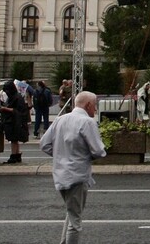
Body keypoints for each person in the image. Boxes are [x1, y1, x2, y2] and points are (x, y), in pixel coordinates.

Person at [40, 91, 107, 244]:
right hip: (78, 174)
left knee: (71, 213)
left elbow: (44, 144)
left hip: (60, 174)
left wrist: (61, 155)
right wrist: (81, 157)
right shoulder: (87, 122)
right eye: (95, 106)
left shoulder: (60, 119)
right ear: (88, 105)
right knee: (75, 222)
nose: (95, 110)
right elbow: (99, 151)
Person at [0, 80, 30, 163]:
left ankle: (14, 155)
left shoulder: (17, 97)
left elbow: (19, 111)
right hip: (11, 121)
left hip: (15, 121)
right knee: (14, 139)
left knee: (14, 139)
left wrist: (5, 109)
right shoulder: (13, 97)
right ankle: (16, 155)